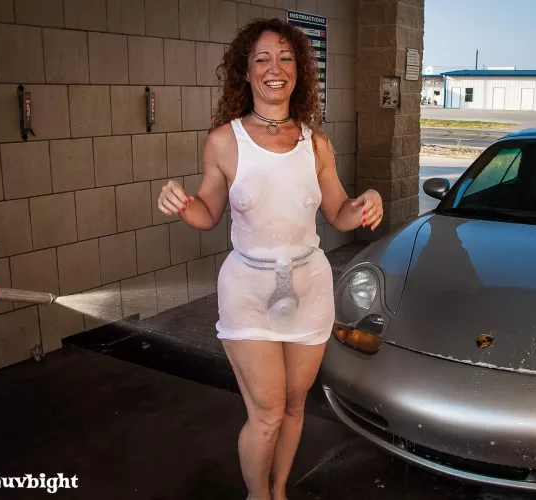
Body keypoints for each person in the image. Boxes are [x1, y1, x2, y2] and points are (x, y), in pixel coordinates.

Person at [156, 18, 383, 500]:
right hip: (249, 292)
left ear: (299, 69)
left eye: (285, 57)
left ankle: (279, 491)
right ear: (246, 71)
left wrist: (364, 202)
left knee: (296, 406)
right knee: (267, 414)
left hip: (309, 287)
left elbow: (339, 214)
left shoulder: (315, 143)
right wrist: (180, 201)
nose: (274, 68)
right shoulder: (224, 140)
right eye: (262, 58)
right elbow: (207, 212)